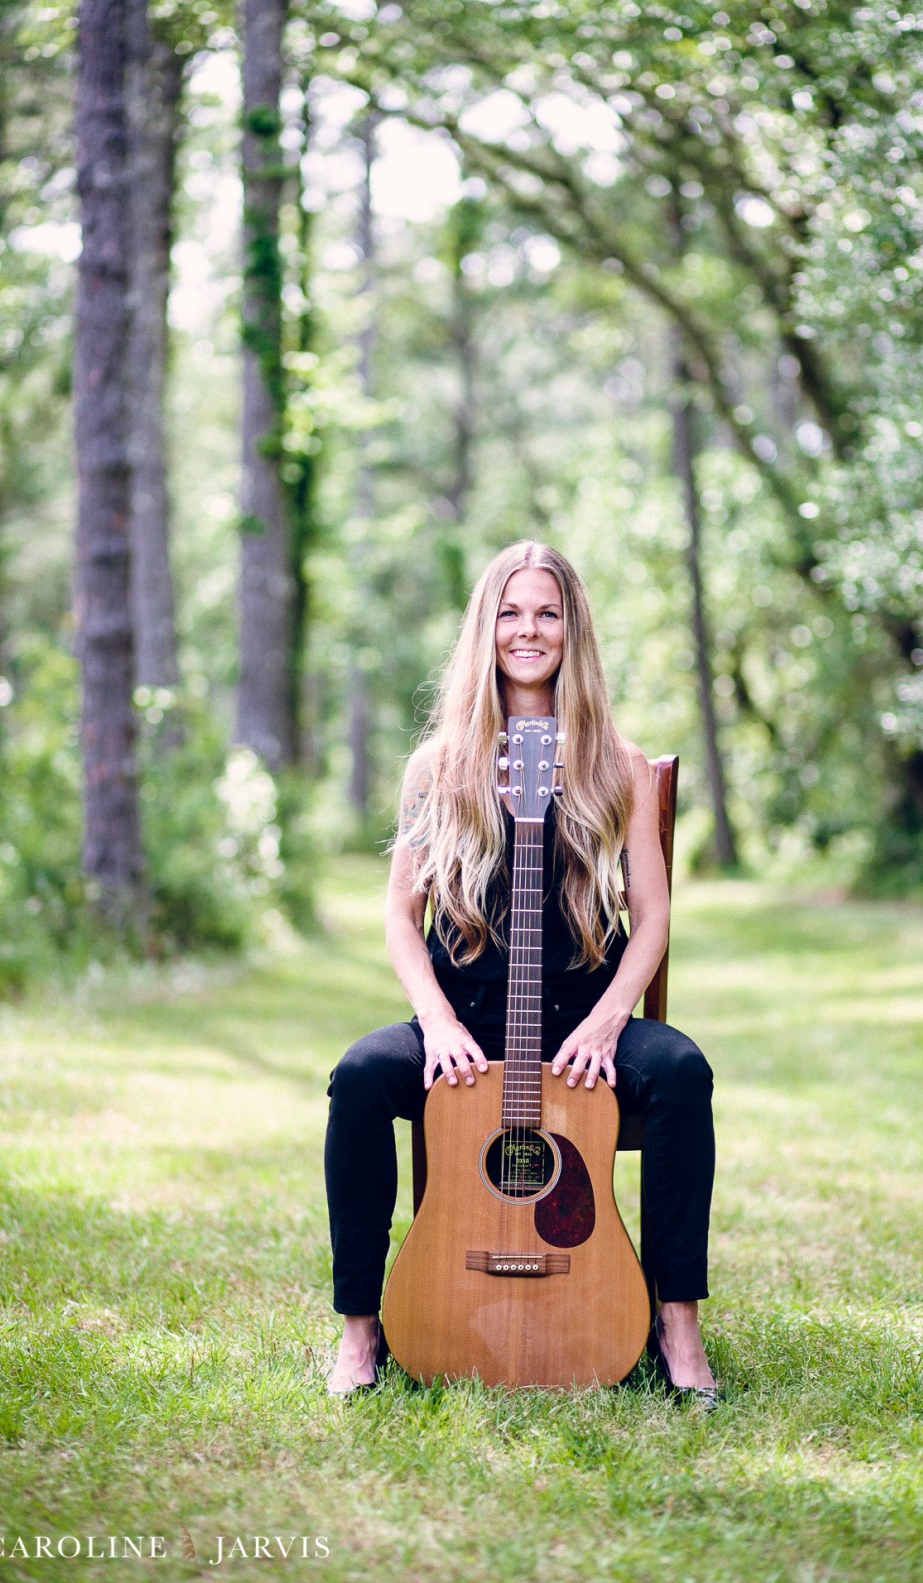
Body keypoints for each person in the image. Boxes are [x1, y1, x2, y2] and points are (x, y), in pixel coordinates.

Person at [324, 541, 717, 1399]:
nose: (527, 630)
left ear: (572, 626)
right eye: (510, 611)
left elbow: (650, 915)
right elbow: (401, 914)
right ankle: (361, 1330)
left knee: (683, 1071)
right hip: (464, 1014)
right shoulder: (437, 765)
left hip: (581, 1017)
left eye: (546, 611)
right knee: (357, 1077)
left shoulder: (615, 759)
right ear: (484, 627)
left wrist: (612, 1018)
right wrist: (434, 1022)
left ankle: (676, 1321)